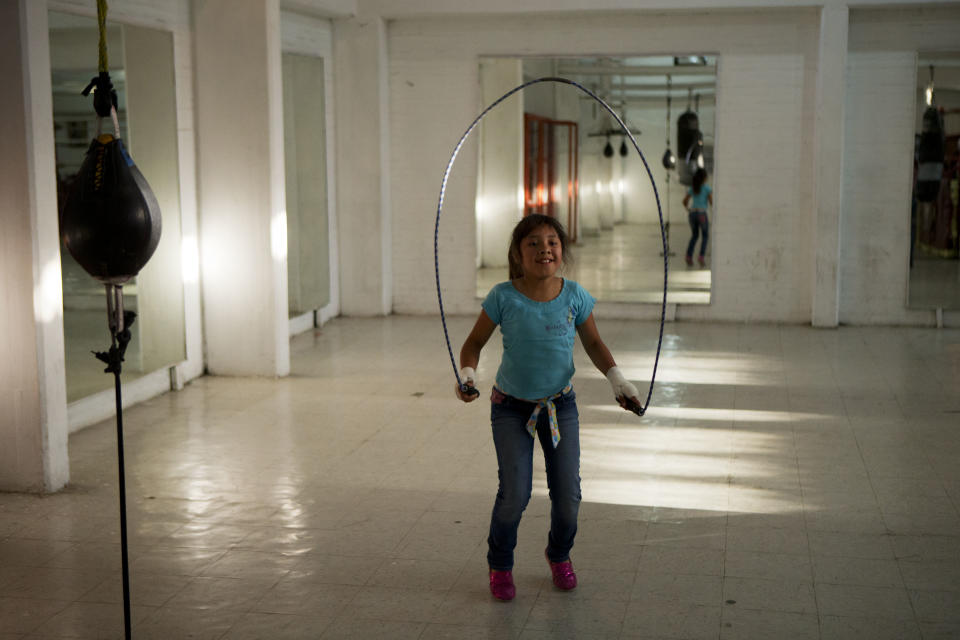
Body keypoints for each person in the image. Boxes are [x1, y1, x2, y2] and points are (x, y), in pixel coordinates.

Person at [455, 214, 640, 601]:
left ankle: (559, 554)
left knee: (568, 496)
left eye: (552, 242)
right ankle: (500, 563)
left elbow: (592, 343)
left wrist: (618, 381)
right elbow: (473, 343)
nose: (544, 249)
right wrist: (468, 375)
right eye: (534, 243)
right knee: (515, 495)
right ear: (517, 254)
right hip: (510, 408)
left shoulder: (574, 295)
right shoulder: (503, 297)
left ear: (562, 251)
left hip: (560, 406)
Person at [683, 168, 713, 267]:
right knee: (705, 236)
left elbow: (685, 201)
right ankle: (701, 256)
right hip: (701, 214)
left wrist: (688, 209)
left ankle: (688, 256)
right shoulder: (707, 188)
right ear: (704, 178)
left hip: (692, 214)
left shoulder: (693, 188)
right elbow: (711, 202)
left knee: (695, 235)